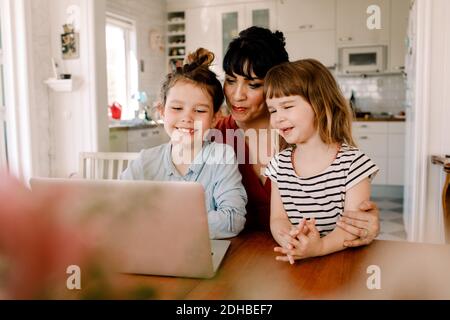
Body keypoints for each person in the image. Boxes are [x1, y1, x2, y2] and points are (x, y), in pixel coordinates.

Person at [215, 26, 380, 247]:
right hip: (239, 255)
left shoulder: (302, 136)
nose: (237, 95)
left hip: (302, 257)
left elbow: (343, 208)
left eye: (253, 84)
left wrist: (365, 222)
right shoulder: (215, 136)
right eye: (230, 80)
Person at [121, 48, 247, 239]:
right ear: (162, 111)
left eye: (200, 111)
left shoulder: (222, 157)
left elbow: (232, 219)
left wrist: (166, 223)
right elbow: (118, 210)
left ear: (215, 119)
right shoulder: (145, 161)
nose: (187, 117)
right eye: (177, 108)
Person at [264, 59, 379, 262]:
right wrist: (290, 241)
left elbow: (354, 226)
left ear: (319, 104)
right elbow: (278, 219)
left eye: (287, 106)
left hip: (342, 263)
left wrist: (320, 247)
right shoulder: (279, 165)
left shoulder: (353, 164)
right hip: (299, 262)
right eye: (272, 110)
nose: (277, 118)